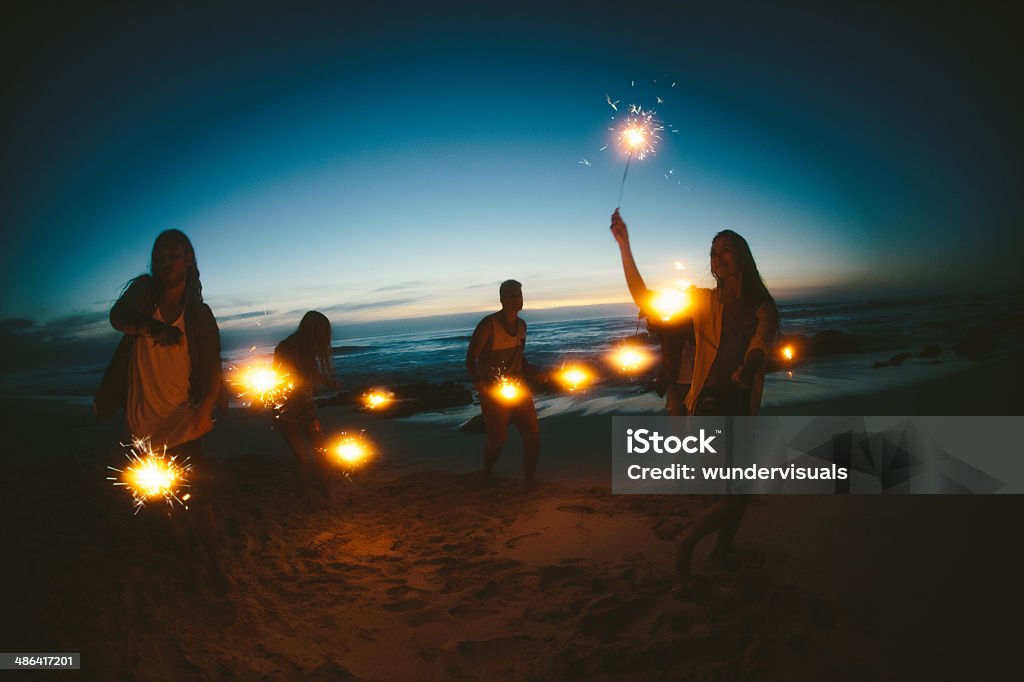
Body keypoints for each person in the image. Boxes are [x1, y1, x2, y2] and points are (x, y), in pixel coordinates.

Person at [610, 209, 779, 575]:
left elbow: (761, 342)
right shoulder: (703, 301)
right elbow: (645, 296)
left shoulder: (763, 305)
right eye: (714, 252)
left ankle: (720, 553)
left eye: (727, 249)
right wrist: (625, 245)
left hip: (743, 405)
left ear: (742, 256)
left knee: (737, 493)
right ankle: (687, 543)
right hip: (710, 403)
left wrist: (748, 367)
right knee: (736, 494)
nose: (718, 257)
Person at [95, 229, 228, 590]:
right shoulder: (144, 294)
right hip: (143, 421)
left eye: (174, 253)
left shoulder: (199, 315)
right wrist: (152, 327)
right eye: (159, 254)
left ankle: (216, 566)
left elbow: (213, 369)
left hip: (183, 418)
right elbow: (118, 316)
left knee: (200, 499)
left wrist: (205, 407)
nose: (165, 259)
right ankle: (187, 557)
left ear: (189, 260)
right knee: (165, 497)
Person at [466, 280, 547, 484]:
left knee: (532, 436)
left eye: (518, 295)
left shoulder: (521, 326)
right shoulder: (488, 325)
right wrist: (479, 384)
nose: (515, 300)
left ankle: (530, 480)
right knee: (498, 440)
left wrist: (534, 373)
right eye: (510, 295)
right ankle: (486, 472)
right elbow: (470, 357)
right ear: (501, 299)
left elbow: (521, 357)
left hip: (519, 389)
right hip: (494, 392)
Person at [273, 311, 340, 502]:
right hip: (287, 409)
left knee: (316, 452)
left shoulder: (299, 348)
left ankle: (323, 492)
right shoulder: (288, 349)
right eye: (322, 332)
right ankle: (312, 494)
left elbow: (306, 374)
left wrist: (327, 382)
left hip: (297, 407)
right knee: (306, 454)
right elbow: (287, 379)